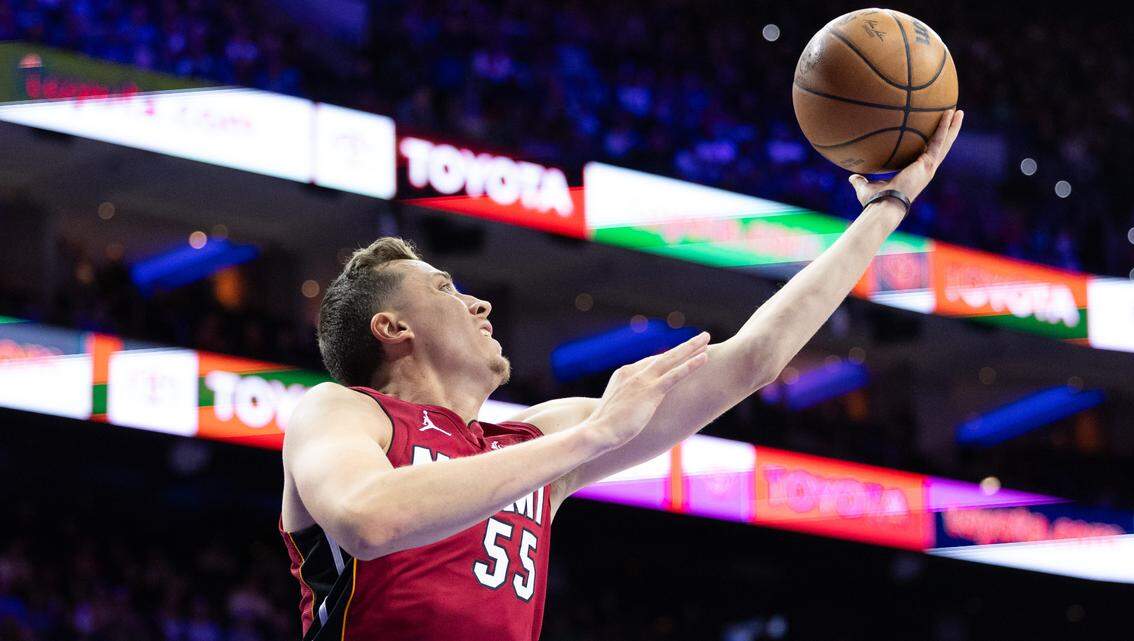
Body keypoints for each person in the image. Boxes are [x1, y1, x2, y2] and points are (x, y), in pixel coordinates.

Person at [280, 111, 965, 641]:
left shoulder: (530, 438)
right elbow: (369, 518)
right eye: (444, 289)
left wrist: (885, 211)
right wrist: (592, 437)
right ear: (393, 329)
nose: (478, 301)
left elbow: (755, 358)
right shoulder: (340, 412)